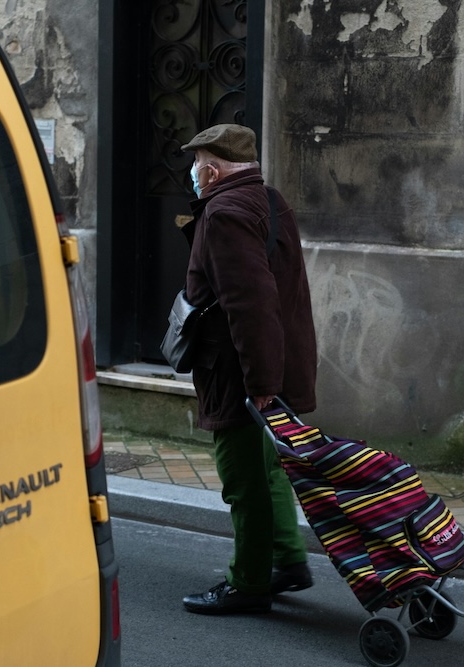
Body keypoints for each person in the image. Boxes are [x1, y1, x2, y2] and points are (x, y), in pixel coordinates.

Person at [178, 124, 318, 614]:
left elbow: (250, 305)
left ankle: (249, 583)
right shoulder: (269, 201)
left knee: (243, 480)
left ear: (213, 171)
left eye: (197, 164)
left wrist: (260, 384)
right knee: (269, 468)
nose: (193, 173)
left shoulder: (224, 213)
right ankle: (287, 559)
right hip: (278, 364)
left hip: (241, 374)